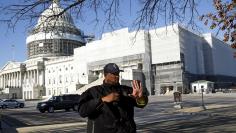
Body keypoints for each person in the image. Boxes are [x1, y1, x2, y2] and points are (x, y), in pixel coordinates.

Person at [78, 63, 148, 133]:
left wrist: (140, 98)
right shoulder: (93, 91)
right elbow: (82, 111)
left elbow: (142, 104)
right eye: (114, 74)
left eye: (118, 73)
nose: (117, 76)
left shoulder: (127, 90)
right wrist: (103, 100)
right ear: (105, 75)